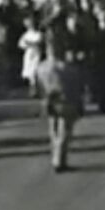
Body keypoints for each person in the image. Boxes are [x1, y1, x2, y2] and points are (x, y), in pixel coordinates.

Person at [34, 39, 84, 172]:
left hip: (49, 101)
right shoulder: (67, 68)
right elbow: (75, 87)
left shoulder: (41, 67)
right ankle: (59, 160)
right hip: (65, 100)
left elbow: (37, 87)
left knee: (53, 131)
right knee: (65, 132)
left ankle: (55, 157)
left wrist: (43, 99)